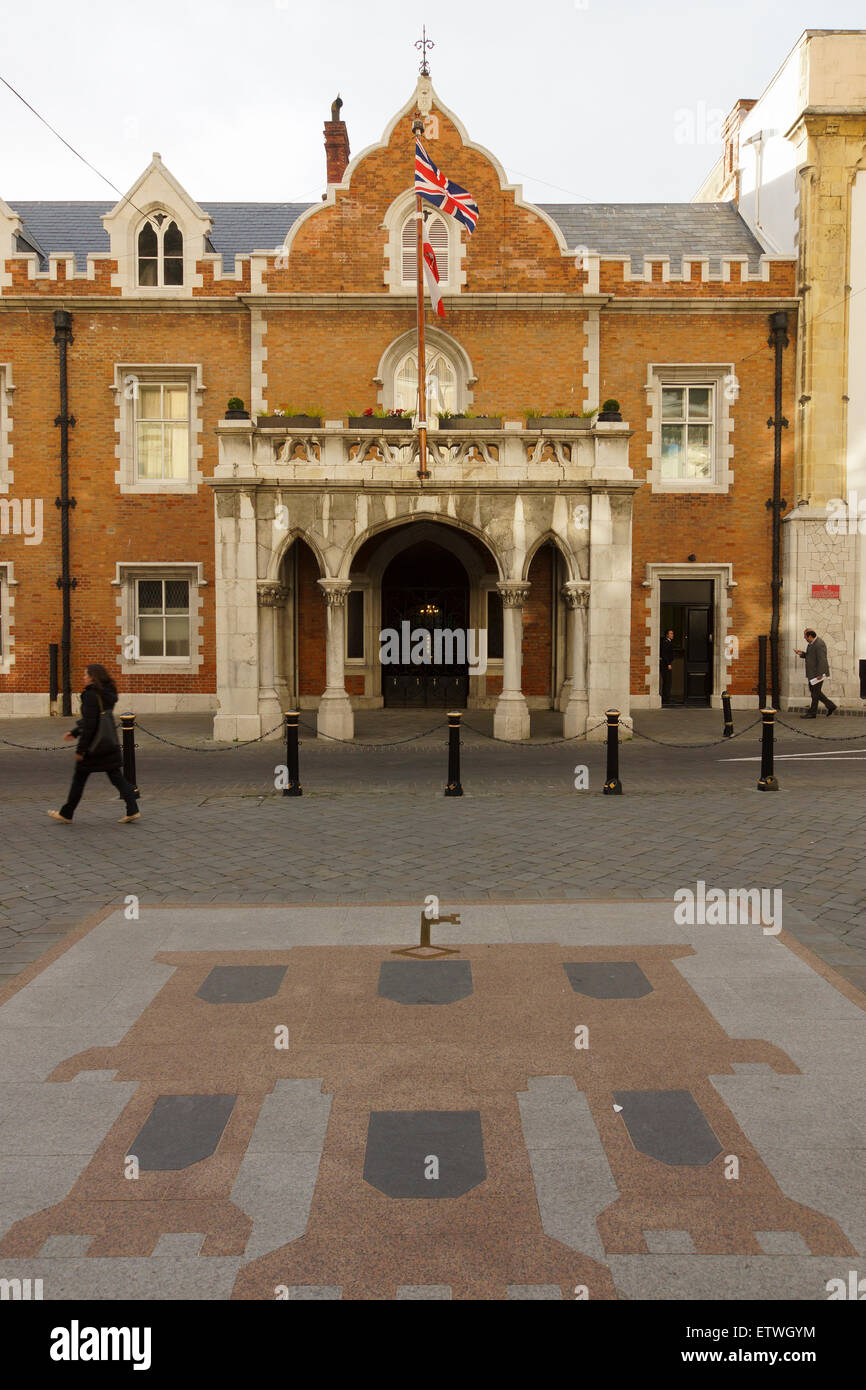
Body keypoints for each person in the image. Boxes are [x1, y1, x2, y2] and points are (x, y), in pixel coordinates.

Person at [48, 664, 140, 822]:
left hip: (94, 747)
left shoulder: (91, 695)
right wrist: (75, 732)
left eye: (86, 674)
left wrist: (81, 750)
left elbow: (90, 725)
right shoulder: (107, 693)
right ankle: (133, 809)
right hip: (108, 742)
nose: (83, 677)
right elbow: (96, 718)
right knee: (116, 777)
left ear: (93, 677)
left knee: (79, 779)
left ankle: (66, 814)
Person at [794, 629, 837, 718]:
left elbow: (822, 660)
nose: (804, 638)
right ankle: (831, 706)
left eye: (805, 636)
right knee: (815, 692)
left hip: (817, 673)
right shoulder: (811, 644)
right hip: (813, 673)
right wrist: (801, 653)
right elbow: (810, 656)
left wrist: (820, 674)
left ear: (810, 636)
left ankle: (812, 713)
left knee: (815, 693)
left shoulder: (819, 644)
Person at [659, 628, 675, 705]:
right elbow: (664, 654)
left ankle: (667, 697)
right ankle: (666, 698)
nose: (672, 635)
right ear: (667, 635)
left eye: (672, 633)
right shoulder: (665, 642)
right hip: (665, 664)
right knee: (667, 681)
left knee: (668, 681)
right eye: (671, 633)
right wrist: (668, 663)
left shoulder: (669, 642)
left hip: (667, 663)